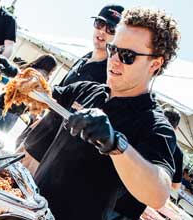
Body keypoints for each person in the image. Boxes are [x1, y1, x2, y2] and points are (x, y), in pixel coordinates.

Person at [18, 7, 180, 219]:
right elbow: (44, 94)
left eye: (127, 56)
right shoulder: (86, 89)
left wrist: (115, 143)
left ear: (155, 64)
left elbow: (158, 193)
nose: (114, 60)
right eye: (113, 49)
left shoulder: (154, 125)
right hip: (30, 209)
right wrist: (16, 75)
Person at [112, 107, 184, 220]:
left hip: (113, 192)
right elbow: (176, 185)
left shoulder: (143, 127)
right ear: (177, 128)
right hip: (133, 205)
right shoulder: (177, 152)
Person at [59, 4, 124, 86]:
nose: (102, 31)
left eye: (111, 29)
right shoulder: (84, 58)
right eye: (100, 23)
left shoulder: (109, 73)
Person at [0, 54, 57, 132]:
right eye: (52, 70)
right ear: (49, 67)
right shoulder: (38, 77)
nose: (51, 73)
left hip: (3, 103)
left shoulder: (29, 70)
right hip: (11, 109)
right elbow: (31, 95)